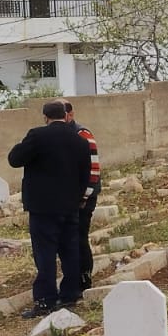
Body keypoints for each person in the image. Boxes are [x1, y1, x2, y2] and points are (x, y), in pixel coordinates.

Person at [7, 100, 93, 319]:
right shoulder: (80, 141)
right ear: (66, 115)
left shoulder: (37, 136)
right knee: (70, 251)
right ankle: (70, 294)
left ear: (45, 117)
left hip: (43, 207)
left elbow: (14, 159)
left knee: (45, 254)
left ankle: (45, 300)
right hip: (70, 206)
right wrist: (79, 198)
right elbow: (86, 174)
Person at [63, 101, 101, 291]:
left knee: (79, 237)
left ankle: (84, 278)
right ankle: (73, 279)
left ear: (70, 114)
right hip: (69, 196)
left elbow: (93, 169)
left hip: (84, 197)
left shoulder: (82, 133)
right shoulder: (62, 134)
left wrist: (85, 196)